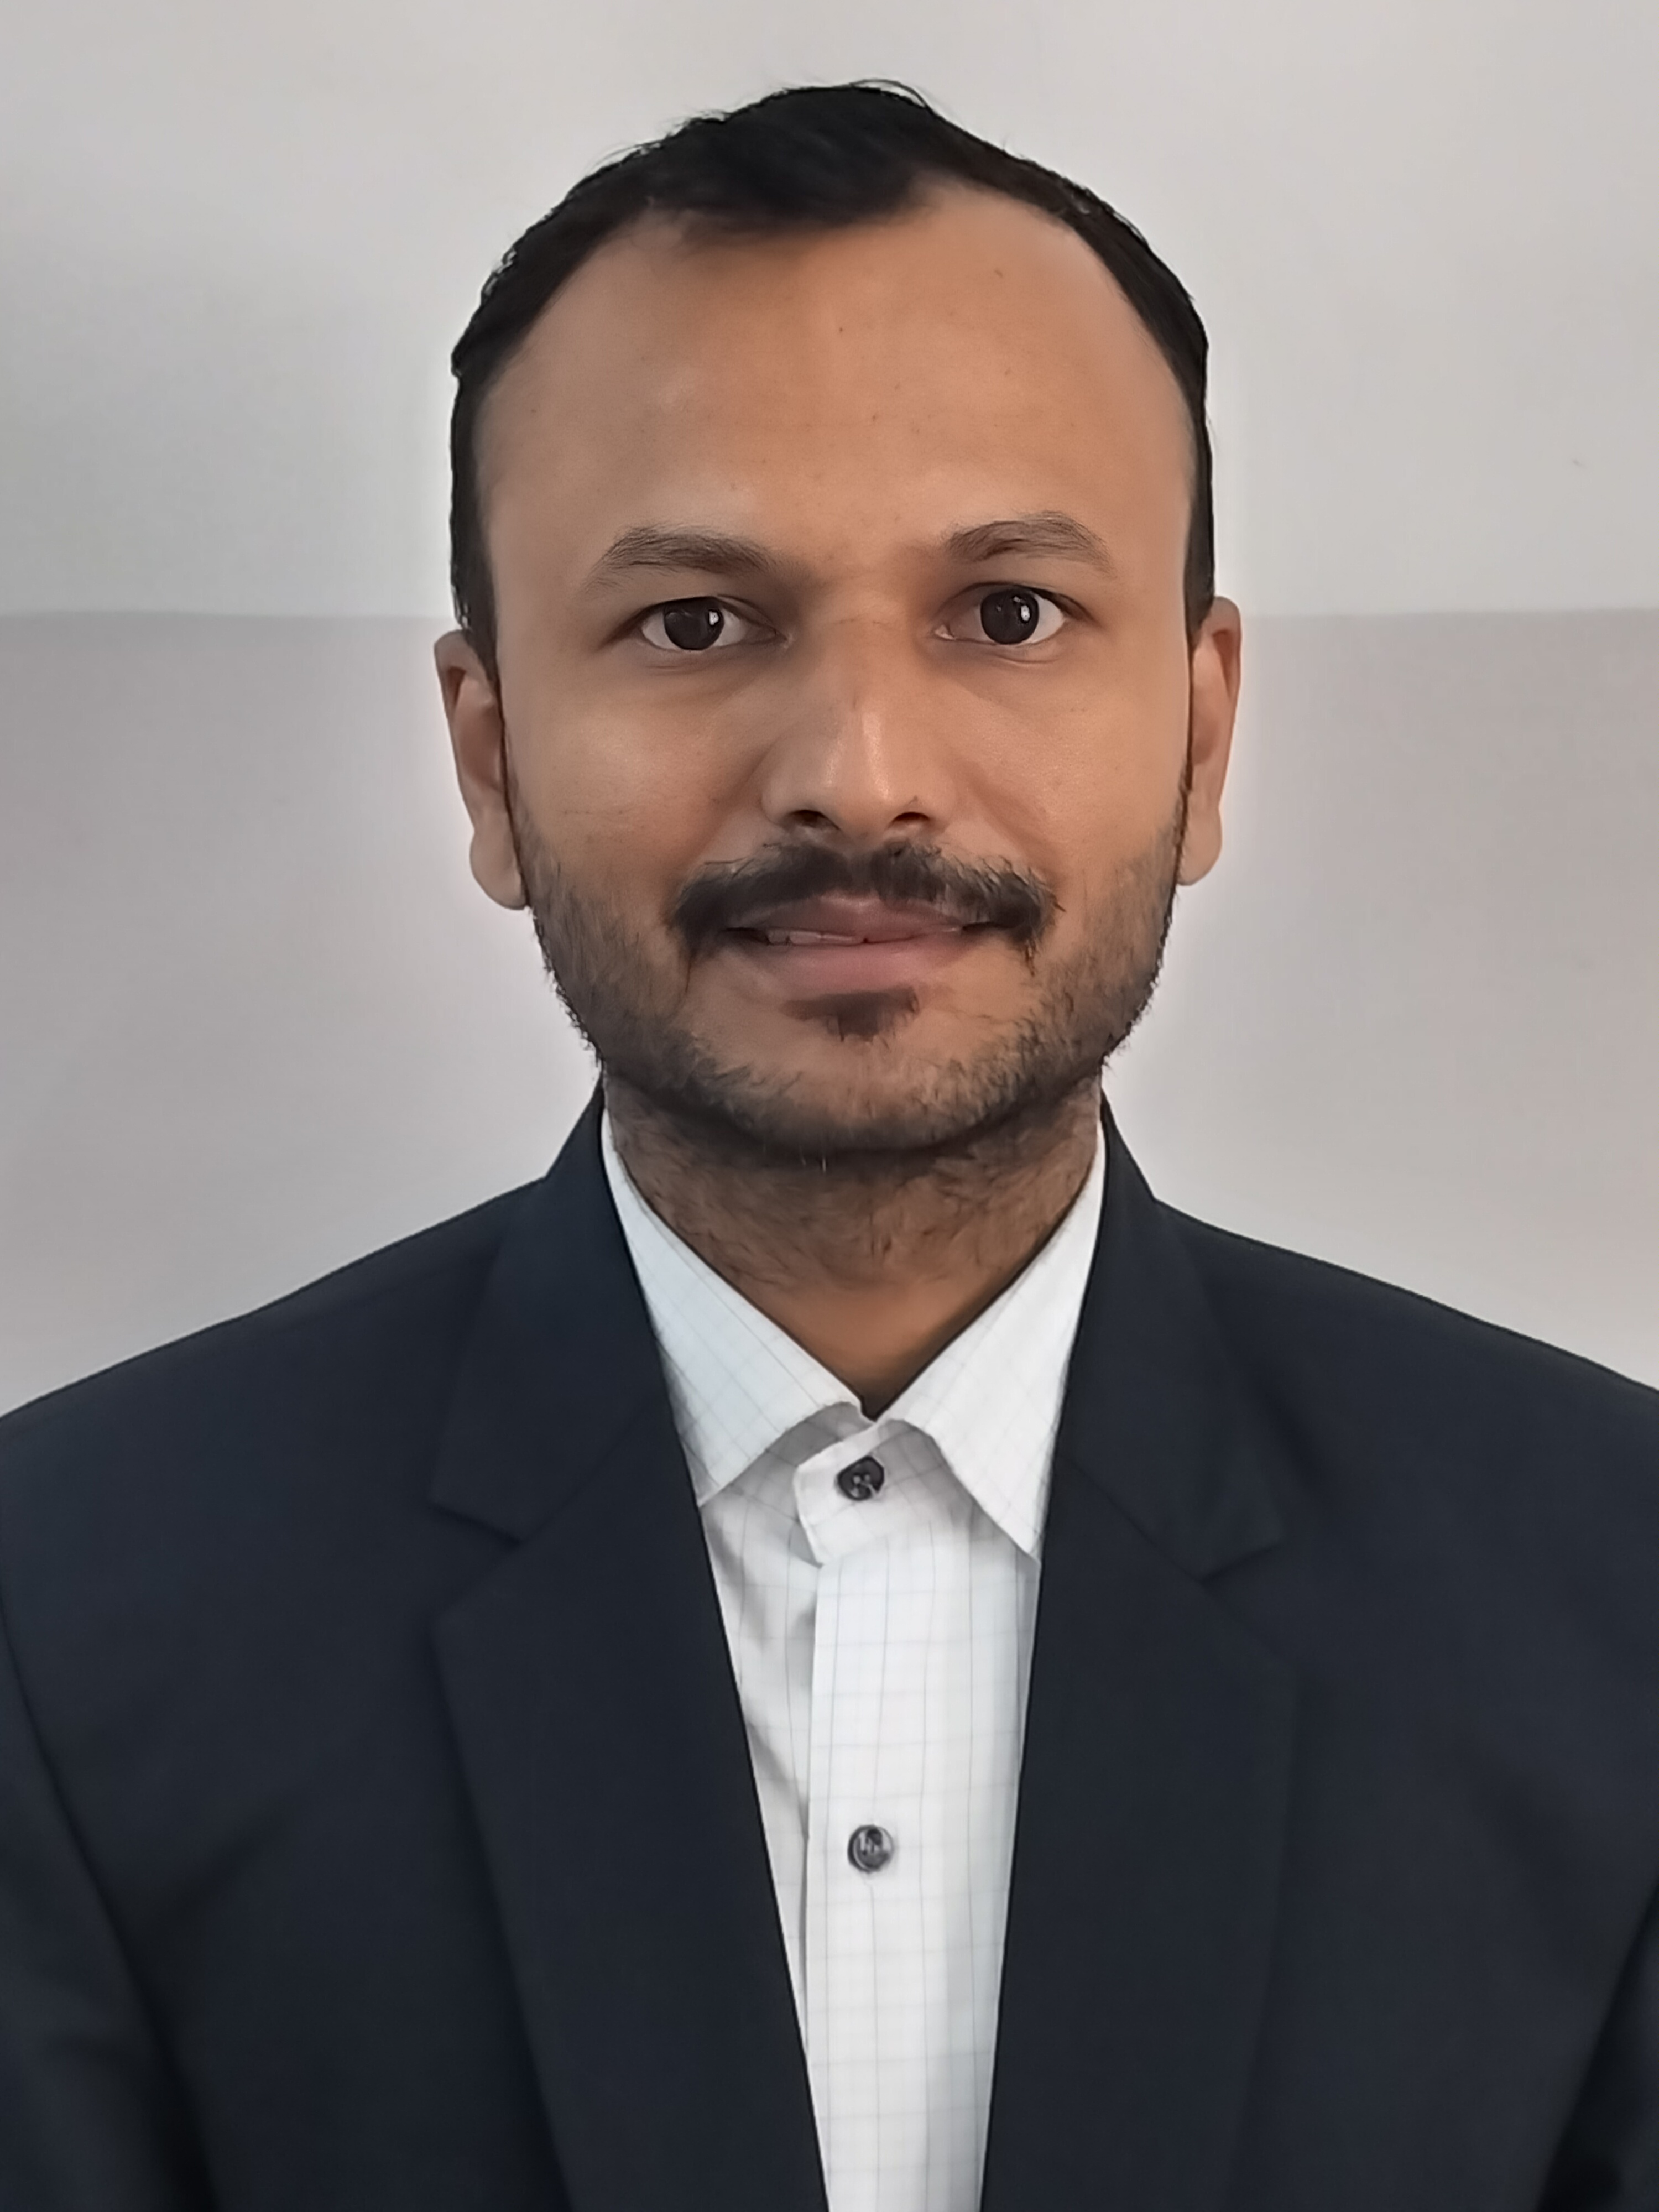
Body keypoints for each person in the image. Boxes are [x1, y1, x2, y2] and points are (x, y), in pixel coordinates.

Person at [1, 80, 1655, 2212]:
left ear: (1204, 730)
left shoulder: (1613, 1597)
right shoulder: (63, 1619)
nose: (860, 777)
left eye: (1009, 613)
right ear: (492, 761)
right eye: (696, 623)